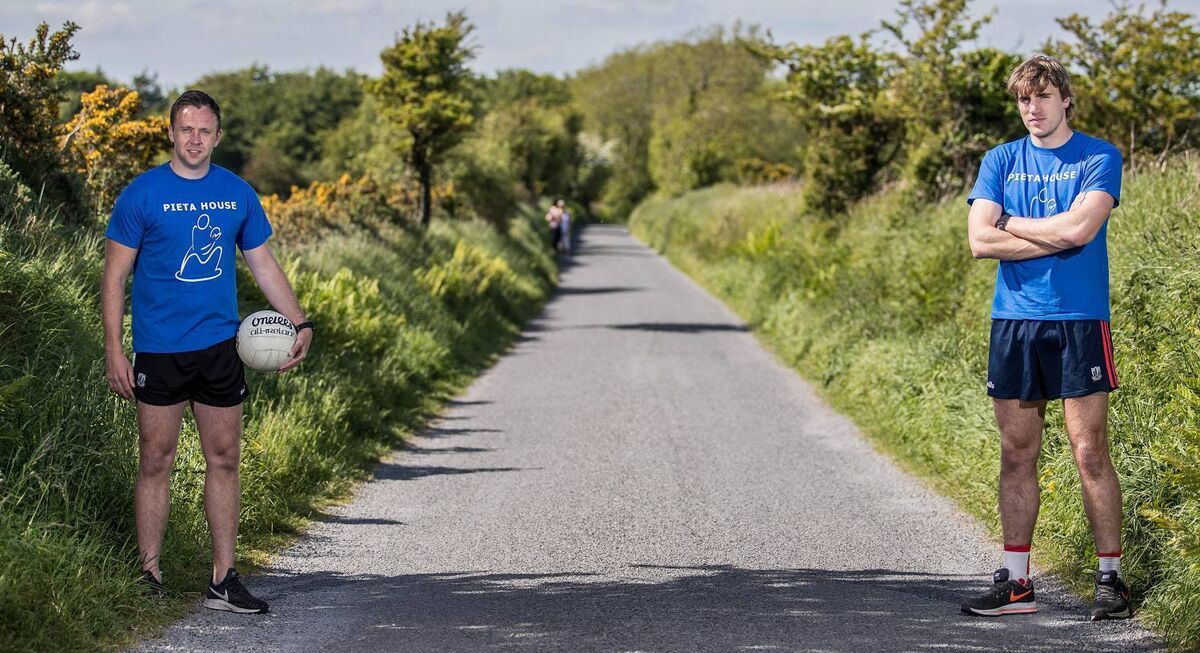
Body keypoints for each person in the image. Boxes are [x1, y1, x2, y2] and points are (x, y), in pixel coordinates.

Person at [102, 90, 314, 614]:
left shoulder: (236, 193)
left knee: (225, 458)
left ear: (218, 137)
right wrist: (114, 349)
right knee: (155, 459)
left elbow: (262, 263)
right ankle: (148, 573)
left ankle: (223, 579)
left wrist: (299, 320)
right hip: (159, 349)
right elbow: (114, 277)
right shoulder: (141, 195)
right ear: (170, 133)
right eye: (186, 129)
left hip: (222, 347)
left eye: (205, 131)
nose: (194, 139)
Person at [962, 55, 1128, 620]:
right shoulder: (1000, 159)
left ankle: (1111, 580)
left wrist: (1010, 222)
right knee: (1016, 453)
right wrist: (1052, 236)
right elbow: (979, 242)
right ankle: (1016, 583)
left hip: (1080, 319)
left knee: (1089, 451)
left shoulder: (1100, 155)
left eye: (1043, 97)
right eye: (1023, 100)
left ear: (1065, 100)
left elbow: (1082, 229)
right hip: (1014, 320)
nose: (1032, 109)